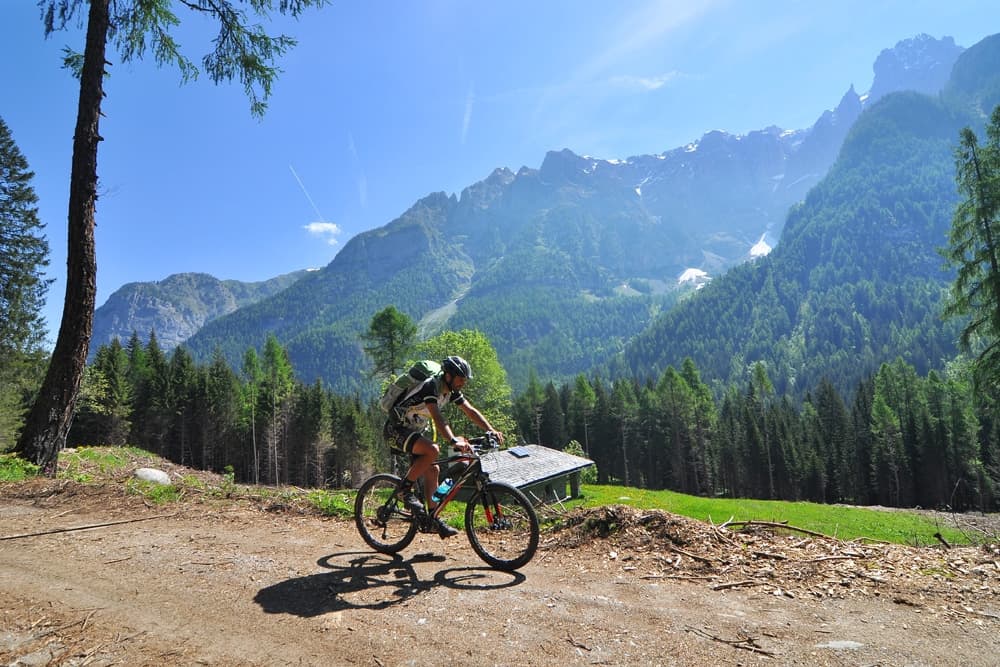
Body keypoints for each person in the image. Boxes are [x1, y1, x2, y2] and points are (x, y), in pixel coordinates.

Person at [383, 355, 504, 538]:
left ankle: (432, 518)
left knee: (433, 471)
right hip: (396, 429)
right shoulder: (431, 385)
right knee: (433, 450)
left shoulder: (451, 391)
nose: (463, 383)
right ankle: (404, 490)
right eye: (461, 379)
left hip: (414, 429)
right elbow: (437, 417)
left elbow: (470, 411)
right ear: (448, 376)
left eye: (464, 380)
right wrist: (453, 440)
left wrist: (491, 430)